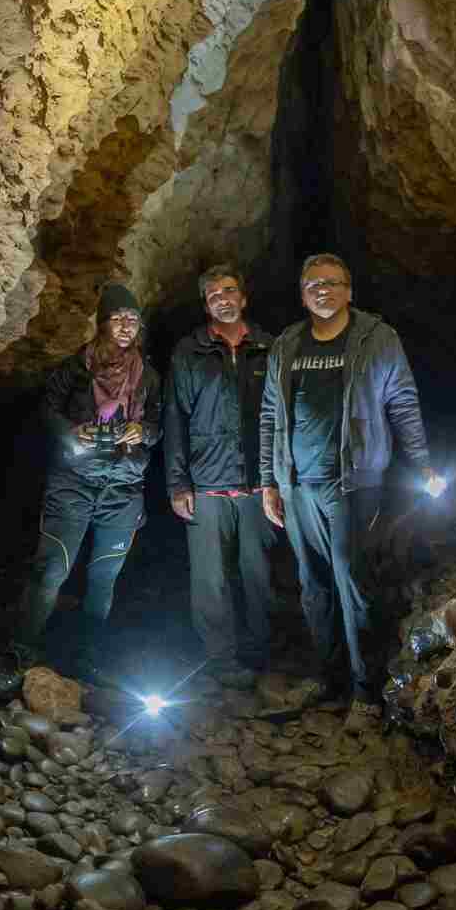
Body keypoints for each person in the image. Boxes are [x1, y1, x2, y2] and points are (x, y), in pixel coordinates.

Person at [257, 252, 439, 709]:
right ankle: (330, 678)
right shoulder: (288, 344)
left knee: (351, 580)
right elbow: (268, 417)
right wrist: (269, 481)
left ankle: (365, 689)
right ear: (302, 295)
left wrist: (422, 463)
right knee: (313, 585)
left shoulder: (376, 339)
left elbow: (403, 402)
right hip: (297, 485)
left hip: (352, 482)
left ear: (349, 291)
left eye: (333, 282)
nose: (324, 289)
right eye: (314, 283)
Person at [10, 283, 155, 683]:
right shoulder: (75, 368)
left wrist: (142, 431)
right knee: (51, 570)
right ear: (103, 323)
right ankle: (21, 650)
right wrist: (74, 434)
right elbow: (48, 410)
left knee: (103, 577)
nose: (126, 326)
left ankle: (86, 657)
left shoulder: (148, 376)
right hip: (73, 482)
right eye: (118, 318)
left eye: (133, 320)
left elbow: (159, 425)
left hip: (123, 487)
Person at [161, 262, 275, 687]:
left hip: (257, 484)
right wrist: (177, 484)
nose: (223, 299)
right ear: (206, 305)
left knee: (258, 573)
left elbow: (282, 417)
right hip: (206, 483)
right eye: (214, 295)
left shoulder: (268, 346)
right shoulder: (189, 352)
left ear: (243, 298)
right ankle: (222, 661)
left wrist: (277, 479)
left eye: (230, 291)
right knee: (210, 581)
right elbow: (175, 418)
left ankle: (259, 653)